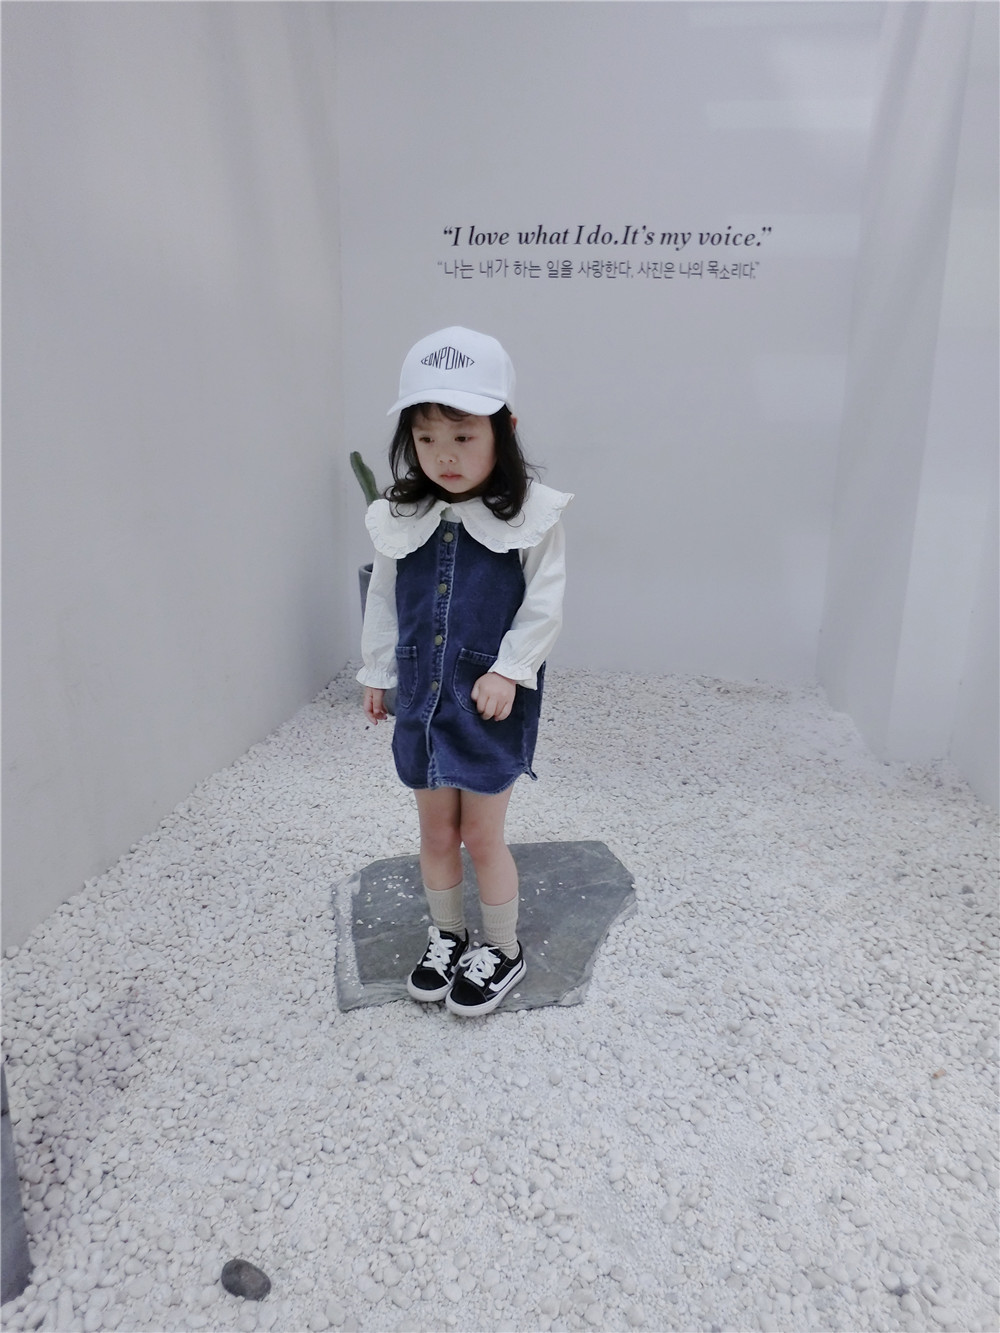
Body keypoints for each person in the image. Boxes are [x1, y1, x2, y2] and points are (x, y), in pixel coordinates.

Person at [358, 326, 571, 1016]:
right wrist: (377, 670)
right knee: (434, 832)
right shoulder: (402, 516)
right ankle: (447, 934)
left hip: (486, 702)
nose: (443, 455)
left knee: (481, 834)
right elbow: (385, 596)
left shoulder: (530, 516)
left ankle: (502, 947)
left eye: (463, 435)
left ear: (504, 429)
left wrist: (510, 670)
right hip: (423, 698)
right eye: (426, 438)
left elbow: (545, 603)